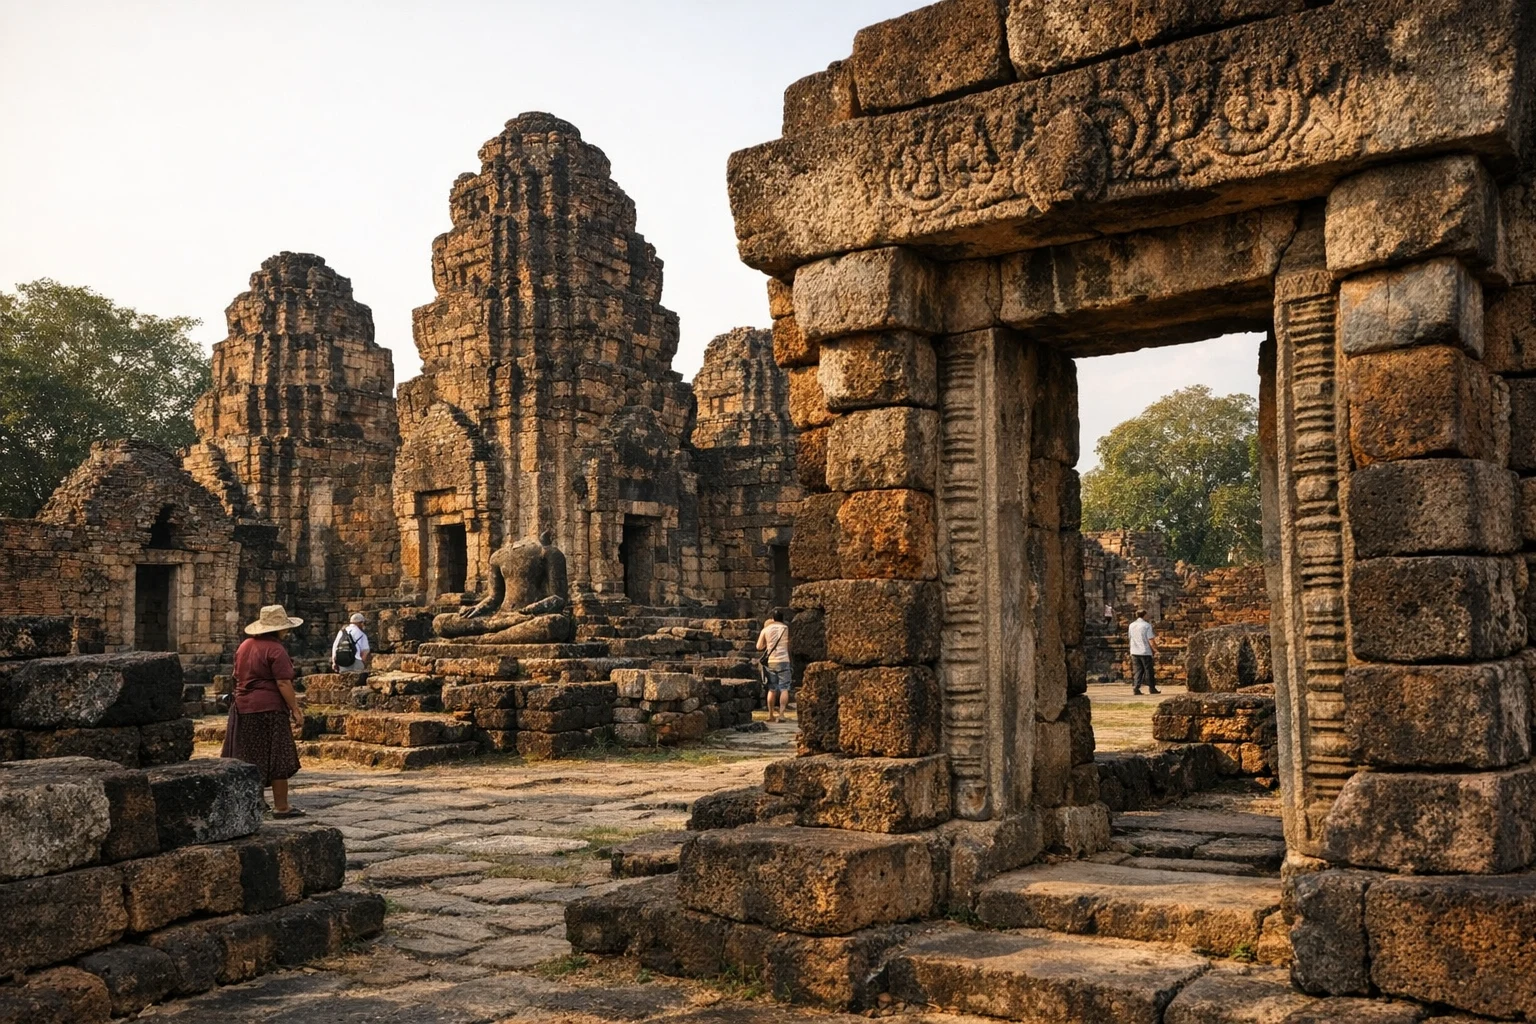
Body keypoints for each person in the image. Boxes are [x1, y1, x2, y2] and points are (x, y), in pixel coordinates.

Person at [223, 604, 306, 817]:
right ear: (278, 629)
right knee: (278, 755)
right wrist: (295, 709)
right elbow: (283, 683)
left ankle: (257, 803)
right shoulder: (275, 649)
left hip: (243, 707)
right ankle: (282, 806)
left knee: (250, 757)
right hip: (270, 708)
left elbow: (236, 676)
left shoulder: (244, 646)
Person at [756, 609, 792, 723]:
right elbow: (788, 644)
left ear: (772, 618)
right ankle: (781, 714)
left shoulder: (766, 629)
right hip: (784, 660)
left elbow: (759, 646)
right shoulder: (785, 628)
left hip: (771, 661)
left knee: (772, 689)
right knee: (784, 688)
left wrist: (768, 644)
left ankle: (770, 714)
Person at [1129, 609, 1160, 695]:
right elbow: (1150, 640)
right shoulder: (1146, 625)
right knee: (1148, 670)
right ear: (1144, 615)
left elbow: (1130, 637)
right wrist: (1155, 650)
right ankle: (1152, 688)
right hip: (1145, 651)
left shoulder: (1131, 625)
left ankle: (1136, 687)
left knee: (1138, 671)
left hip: (1134, 650)